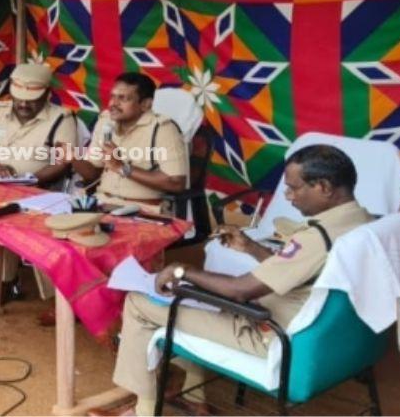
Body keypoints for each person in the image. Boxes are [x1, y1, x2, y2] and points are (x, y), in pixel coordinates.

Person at [92, 145, 375, 416]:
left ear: (323, 187)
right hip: (328, 336)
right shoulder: (366, 225)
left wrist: (182, 270)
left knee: (139, 302)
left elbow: (240, 291)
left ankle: (142, 410)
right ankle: (193, 398)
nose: (288, 196)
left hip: (267, 331)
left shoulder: (317, 238)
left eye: (294, 188)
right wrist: (251, 247)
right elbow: (299, 271)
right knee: (190, 296)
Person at [0, 62, 78, 298]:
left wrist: (29, 179)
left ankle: (4, 280)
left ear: (48, 94)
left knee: (4, 220)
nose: (23, 104)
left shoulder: (62, 119)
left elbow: (62, 163)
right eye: (19, 98)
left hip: (32, 190)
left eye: (31, 100)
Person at [71, 72, 187, 211]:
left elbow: (176, 183)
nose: (113, 104)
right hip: (102, 204)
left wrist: (122, 167)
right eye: (112, 97)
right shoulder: (105, 122)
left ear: (145, 104)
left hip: (143, 209)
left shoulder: (163, 129)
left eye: (123, 98)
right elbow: (93, 174)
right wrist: (72, 157)